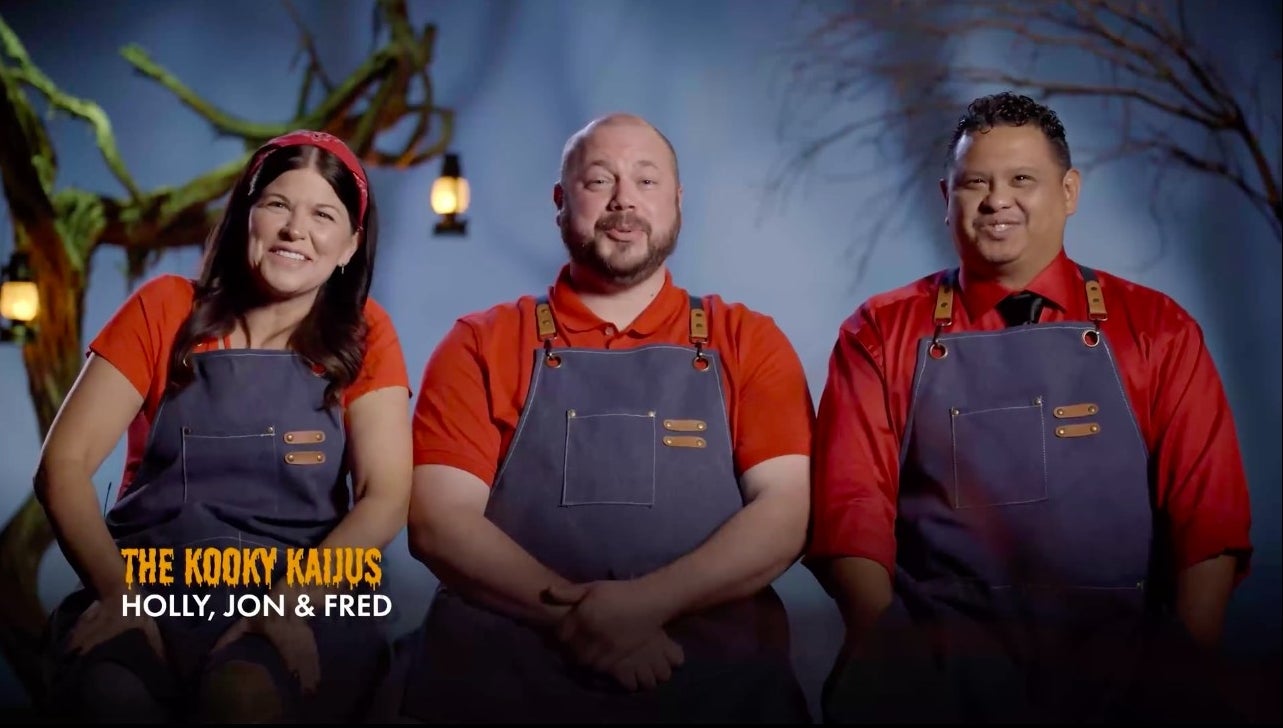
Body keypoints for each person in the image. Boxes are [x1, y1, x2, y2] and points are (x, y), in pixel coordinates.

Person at [807, 91, 1254, 723]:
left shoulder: (1158, 328)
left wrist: (1186, 665)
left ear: (1069, 191)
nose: (997, 201)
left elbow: (1208, 516)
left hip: (1125, 667)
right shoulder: (879, 333)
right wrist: (885, 650)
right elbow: (850, 510)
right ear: (946, 198)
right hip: (937, 666)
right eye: (975, 183)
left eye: (1023, 180)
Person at [396, 113, 813, 723]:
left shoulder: (748, 341)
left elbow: (786, 513)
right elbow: (438, 523)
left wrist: (643, 606)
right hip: (505, 681)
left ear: (677, 202)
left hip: (712, 682)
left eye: (646, 181)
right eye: (599, 181)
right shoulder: (478, 344)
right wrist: (582, 622)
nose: (624, 200)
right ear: (561, 203)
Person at [34, 130, 412, 723]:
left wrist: (291, 601)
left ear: (349, 246)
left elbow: (384, 496)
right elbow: (63, 465)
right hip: (151, 585)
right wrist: (116, 592)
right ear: (245, 219)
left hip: (310, 590)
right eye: (277, 206)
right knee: (109, 699)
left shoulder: (367, 335)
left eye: (323, 215)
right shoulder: (164, 308)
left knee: (240, 699)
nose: (296, 230)